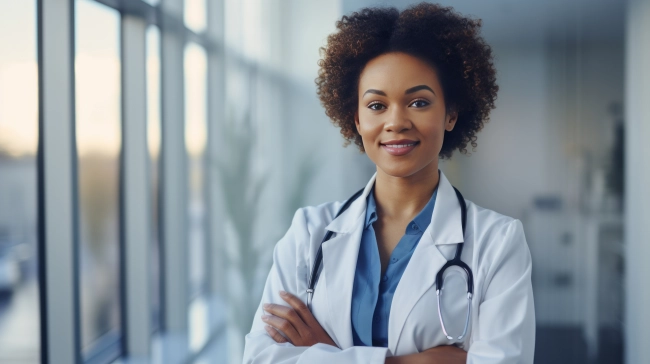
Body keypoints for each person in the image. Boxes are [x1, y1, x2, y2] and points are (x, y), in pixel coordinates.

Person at [243, 3, 535, 363]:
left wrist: (328, 353)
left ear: (451, 113)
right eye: (377, 105)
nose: (396, 122)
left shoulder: (498, 243)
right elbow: (261, 358)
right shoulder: (309, 234)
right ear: (357, 119)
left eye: (418, 102)